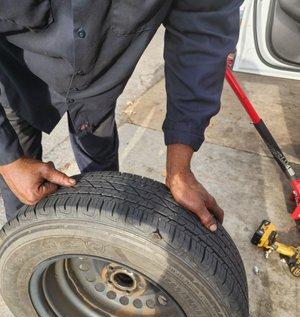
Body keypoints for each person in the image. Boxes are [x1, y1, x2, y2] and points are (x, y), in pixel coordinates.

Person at [0, 0, 242, 230]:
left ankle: (103, 240)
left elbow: (202, 33)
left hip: (98, 84)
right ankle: (24, 251)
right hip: (17, 76)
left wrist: (179, 171)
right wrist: (8, 161)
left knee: (103, 180)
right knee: (23, 190)